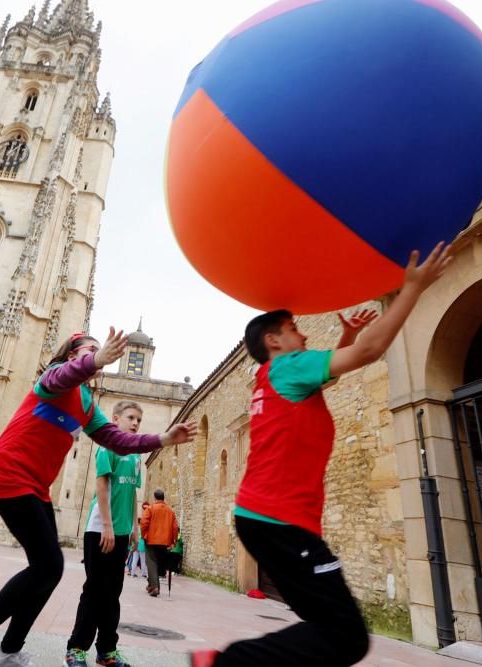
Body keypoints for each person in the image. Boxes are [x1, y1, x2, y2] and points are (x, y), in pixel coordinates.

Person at [190, 244, 452, 667]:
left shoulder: (267, 376)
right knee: (346, 636)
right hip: (280, 523)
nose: (305, 334)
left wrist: (345, 335)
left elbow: (324, 380)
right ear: (274, 340)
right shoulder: (290, 367)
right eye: (295, 329)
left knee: (328, 631)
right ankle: (223, 663)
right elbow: (368, 353)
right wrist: (413, 289)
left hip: (267, 520)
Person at [0, 329, 197, 667]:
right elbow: (64, 375)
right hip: (9, 474)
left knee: (48, 572)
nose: (99, 354)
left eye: (100, 351)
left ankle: (8, 652)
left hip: (38, 487)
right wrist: (98, 358)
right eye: (90, 351)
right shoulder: (52, 379)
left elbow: (116, 439)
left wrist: (163, 438)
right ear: (72, 356)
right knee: (49, 565)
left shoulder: (85, 403)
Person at [64, 401, 147, 667]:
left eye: (139, 420)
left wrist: (134, 528)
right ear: (115, 419)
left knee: (113, 593)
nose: (135, 423)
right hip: (100, 530)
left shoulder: (135, 455)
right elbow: (102, 484)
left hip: (122, 533)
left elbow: (132, 491)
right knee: (94, 591)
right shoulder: (108, 446)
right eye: (131, 418)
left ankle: (106, 651)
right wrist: (108, 526)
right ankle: (76, 648)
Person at [140, 490, 179, 597]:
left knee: (151, 562)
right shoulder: (170, 511)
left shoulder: (150, 508)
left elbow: (144, 523)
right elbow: (175, 528)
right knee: (158, 563)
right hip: (165, 542)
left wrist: (144, 536)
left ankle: (155, 587)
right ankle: (151, 585)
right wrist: (173, 541)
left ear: (155, 497)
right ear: (163, 497)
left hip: (151, 540)